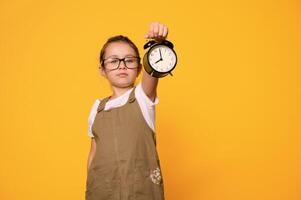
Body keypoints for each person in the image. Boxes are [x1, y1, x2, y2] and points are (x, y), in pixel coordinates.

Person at [85, 22, 169, 200]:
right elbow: (94, 153)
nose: (122, 66)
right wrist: (90, 188)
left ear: (139, 68)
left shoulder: (143, 97)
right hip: (102, 193)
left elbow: (153, 71)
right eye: (114, 61)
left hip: (140, 192)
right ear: (102, 69)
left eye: (129, 60)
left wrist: (158, 44)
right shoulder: (97, 108)